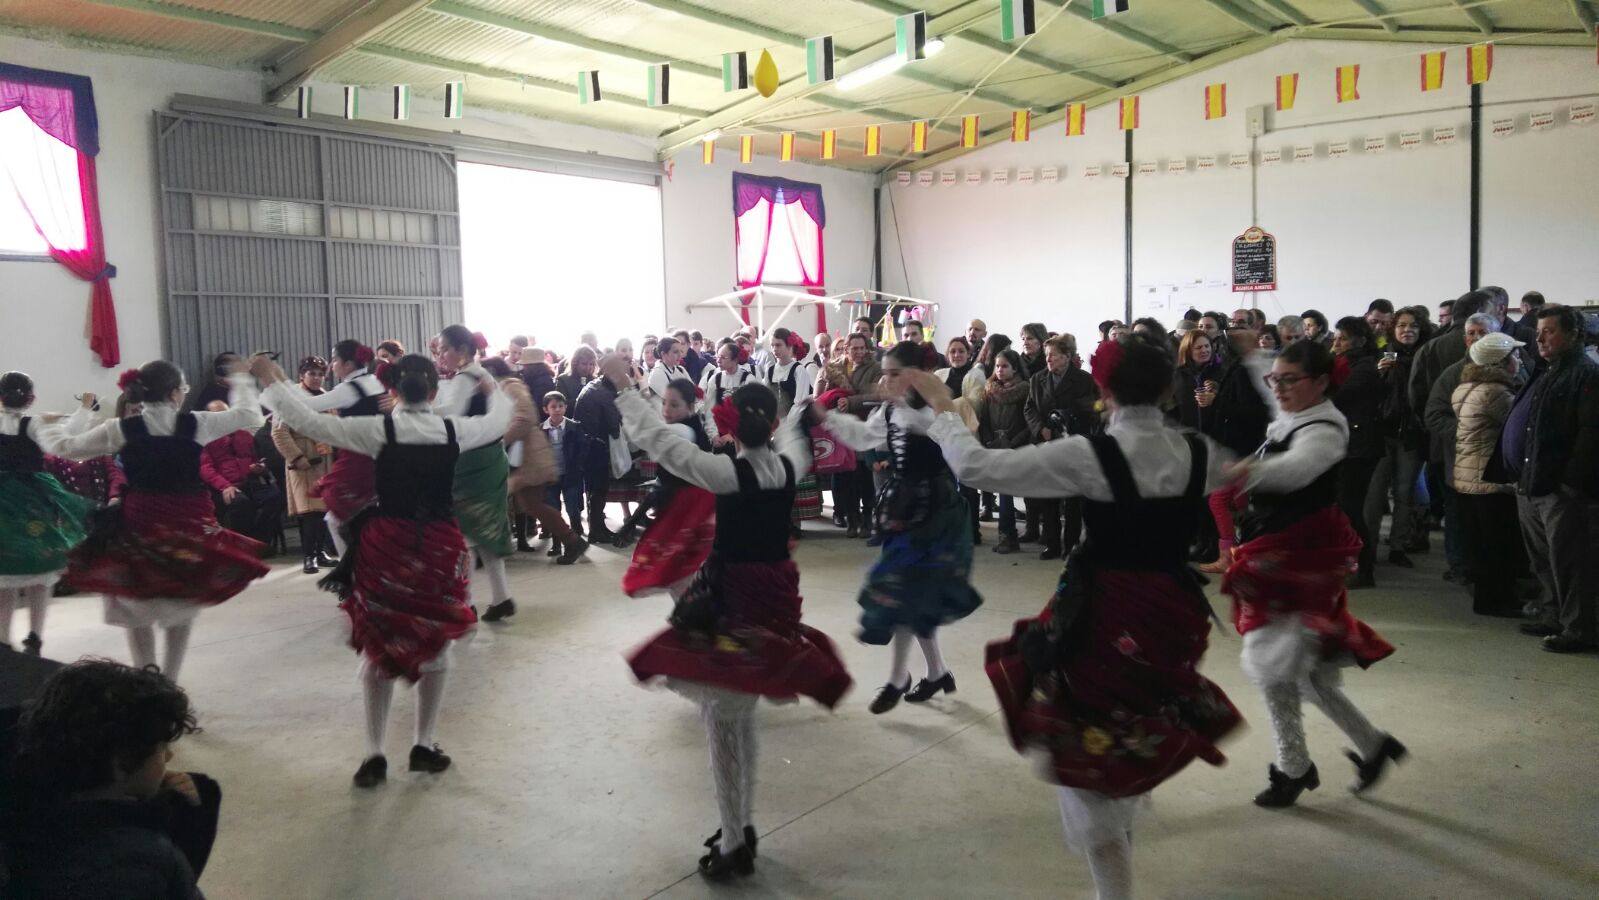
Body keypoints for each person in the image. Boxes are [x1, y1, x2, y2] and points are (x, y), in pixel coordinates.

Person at [900, 334, 1242, 900]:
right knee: (1128, 731)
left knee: (1091, 755)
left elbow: (977, 467)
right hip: (1172, 615)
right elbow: (1256, 471)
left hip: (1106, 617)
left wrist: (943, 410)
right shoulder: (1196, 450)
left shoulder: (1091, 454)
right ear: (1165, 389)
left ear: (1104, 389)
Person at [604, 359, 852, 880]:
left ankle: (735, 839)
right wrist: (803, 413)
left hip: (733, 598)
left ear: (731, 425)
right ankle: (739, 828)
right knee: (740, 712)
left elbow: (659, 442)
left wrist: (624, 387)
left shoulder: (725, 472)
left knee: (723, 718)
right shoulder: (789, 464)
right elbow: (793, 434)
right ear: (770, 422)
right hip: (776, 598)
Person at [260, 352, 510, 787]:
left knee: (378, 644)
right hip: (438, 546)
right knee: (436, 643)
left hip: (387, 545)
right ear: (434, 391)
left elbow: (307, 420)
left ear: (391, 390)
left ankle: (374, 752)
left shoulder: (377, 430)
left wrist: (271, 381)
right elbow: (499, 420)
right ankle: (422, 744)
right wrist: (492, 385)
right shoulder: (455, 429)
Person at [1223, 339, 1403, 809]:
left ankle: (1294, 768)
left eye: (1289, 380)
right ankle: (1373, 745)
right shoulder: (1297, 411)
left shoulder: (1325, 428)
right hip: (1284, 547)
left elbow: (1297, 469)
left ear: (1321, 382)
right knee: (1308, 674)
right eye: (1275, 379)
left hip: (1299, 557)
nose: (1278, 388)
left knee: (1271, 665)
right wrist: (1255, 357)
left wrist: (1244, 470)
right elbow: (1276, 400)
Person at [53, 359, 270, 682]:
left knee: (136, 601)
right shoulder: (196, 423)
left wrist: (71, 418)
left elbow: (66, 447)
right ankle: (169, 680)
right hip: (188, 525)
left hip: (140, 523)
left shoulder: (122, 428)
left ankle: (146, 675)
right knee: (180, 605)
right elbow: (250, 415)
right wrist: (240, 378)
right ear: (173, 394)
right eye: (183, 389)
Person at [821, 342, 983, 714]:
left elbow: (954, 445)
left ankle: (899, 678)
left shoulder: (933, 413)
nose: (886, 381)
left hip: (935, 511)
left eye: (895, 374)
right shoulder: (890, 411)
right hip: (903, 507)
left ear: (916, 375)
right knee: (913, 595)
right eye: (885, 373)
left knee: (903, 591)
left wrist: (920, 406)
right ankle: (936, 672)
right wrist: (827, 417)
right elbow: (864, 437)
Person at [6, 659, 221, 898]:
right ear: (122, 764)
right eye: (162, 749)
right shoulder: (138, 860)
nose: (169, 757)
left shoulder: (28, 818)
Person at [1506, 305, 1599, 653]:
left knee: (1570, 561)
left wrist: (1569, 483)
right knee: (1543, 558)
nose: (1541, 339)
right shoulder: (1548, 371)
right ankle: (1553, 615)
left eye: (1550, 331)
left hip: (1560, 489)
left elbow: (1590, 434)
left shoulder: (1586, 374)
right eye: (1539, 332)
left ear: (1573, 334)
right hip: (1533, 482)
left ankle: (1578, 628)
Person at [0, 373, 94, 654]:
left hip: (4, 499)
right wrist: (85, 408)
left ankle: (3, 640)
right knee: (43, 568)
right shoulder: (35, 424)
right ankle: (35, 636)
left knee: (4, 574)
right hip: (34, 497)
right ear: (31, 399)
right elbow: (65, 439)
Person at [431, 326, 518, 622]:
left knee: (464, 534)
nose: (441, 354)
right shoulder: (482, 373)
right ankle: (501, 597)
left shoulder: (464, 378)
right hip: (492, 458)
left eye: (445, 349)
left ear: (462, 350)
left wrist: (416, 408)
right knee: (485, 531)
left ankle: (464, 602)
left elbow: (450, 411)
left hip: (471, 462)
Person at [1451, 333, 1528, 617]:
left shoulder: (1467, 386)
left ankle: (1488, 598)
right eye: (1515, 356)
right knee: (1498, 544)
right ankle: (1497, 600)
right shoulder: (1495, 392)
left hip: (1469, 475)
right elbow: (1521, 427)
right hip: (1490, 478)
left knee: (1482, 543)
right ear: (1500, 362)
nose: (1520, 361)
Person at [620, 378, 716, 596]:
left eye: (674, 405)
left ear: (690, 407)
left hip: (691, 507)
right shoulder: (683, 426)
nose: (666, 409)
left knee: (681, 571)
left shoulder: (685, 430)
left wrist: (625, 391)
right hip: (680, 503)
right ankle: (691, 608)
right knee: (679, 572)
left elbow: (650, 434)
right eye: (664, 403)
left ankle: (694, 610)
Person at [1423, 312, 1498, 583]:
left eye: (1483, 333)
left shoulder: (1514, 366)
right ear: (1465, 339)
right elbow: (1433, 414)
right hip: (1461, 459)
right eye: (1471, 333)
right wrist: (1467, 431)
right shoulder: (1453, 374)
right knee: (1458, 515)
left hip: (1497, 463)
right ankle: (1460, 566)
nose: (1476, 338)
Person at [295, 340, 383, 558]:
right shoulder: (373, 381)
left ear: (348, 364)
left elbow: (307, 406)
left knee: (335, 518)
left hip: (359, 458)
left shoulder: (348, 389)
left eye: (335, 360)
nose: (332, 365)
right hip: (380, 456)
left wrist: (274, 383)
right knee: (363, 518)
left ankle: (353, 567)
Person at [501, 369, 589, 566]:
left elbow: (524, 420)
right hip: (527, 457)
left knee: (534, 504)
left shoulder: (511, 387)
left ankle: (572, 541)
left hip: (528, 458)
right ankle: (571, 541)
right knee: (532, 504)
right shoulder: (510, 387)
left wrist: (500, 440)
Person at [1023, 335, 1099, 561]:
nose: (1049, 359)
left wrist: (1067, 415)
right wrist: (1040, 428)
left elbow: (1093, 407)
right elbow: (1029, 408)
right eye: (1047, 355)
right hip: (1047, 442)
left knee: (1072, 499)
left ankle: (1071, 544)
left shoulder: (1084, 379)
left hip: (1073, 441)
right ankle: (1052, 543)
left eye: (1054, 355)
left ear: (1067, 357)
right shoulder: (1038, 379)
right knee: (1049, 496)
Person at [1367, 307, 1432, 568]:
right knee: (1375, 494)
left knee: (1405, 493)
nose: (1407, 330)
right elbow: (1368, 394)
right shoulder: (1382, 354)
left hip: (1412, 435)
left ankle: (1398, 546)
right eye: (1402, 325)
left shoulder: (1426, 356)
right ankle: (1369, 547)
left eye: (1413, 326)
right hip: (1382, 433)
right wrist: (1378, 373)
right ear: (1393, 329)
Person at [1330, 317, 1386, 588]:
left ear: (1360, 341)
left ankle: (1364, 568)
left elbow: (1340, 397)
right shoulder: (1344, 363)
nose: (1337, 343)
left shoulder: (1364, 367)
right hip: (1348, 442)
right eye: (1336, 337)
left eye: (1343, 338)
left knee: (1350, 507)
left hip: (1360, 445)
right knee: (1344, 506)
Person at [272, 356, 338, 575]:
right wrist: (297, 457)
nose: (317, 378)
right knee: (309, 512)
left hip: (325, 460)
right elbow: (279, 433)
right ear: (302, 375)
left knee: (323, 510)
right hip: (304, 463)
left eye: (320, 374)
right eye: (312, 374)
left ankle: (321, 552)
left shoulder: (327, 398)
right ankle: (309, 556)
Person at [818, 333, 882, 538]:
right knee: (845, 476)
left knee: (865, 475)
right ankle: (852, 518)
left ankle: (867, 518)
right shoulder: (835, 368)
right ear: (846, 349)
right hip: (842, 428)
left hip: (864, 426)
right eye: (854, 348)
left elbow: (877, 395)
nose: (859, 352)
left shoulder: (875, 368)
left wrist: (851, 401)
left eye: (862, 348)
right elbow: (824, 394)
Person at [199, 400, 283, 550]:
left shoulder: (244, 435)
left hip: (251, 481)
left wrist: (260, 467)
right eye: (217, 414)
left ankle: (259, 543)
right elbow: (206, 468)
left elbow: (258, 459)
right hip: (224, 486)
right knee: (240, 503)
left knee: (275, 497)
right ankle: (242, 545)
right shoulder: (204, 440)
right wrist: (225, 486)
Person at [978, 349, 1031, 554]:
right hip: (994, 445)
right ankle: (1006, 535)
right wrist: (988, 440)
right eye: (997, 366)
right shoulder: (989, 389)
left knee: (1007, 491)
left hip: (1015, 445)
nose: (1000, 370)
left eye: (1005, 366)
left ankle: (1009, 536)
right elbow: (984, 419)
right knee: (1001, 490)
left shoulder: (1024, 389)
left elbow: (1027, 421)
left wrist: (1012, 441)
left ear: (1015, 368)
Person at [701, 342, 757, 443]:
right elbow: (709, 411)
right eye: (718, 356)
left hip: (742, 435)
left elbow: (751, 413)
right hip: (719, 434)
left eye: (723, 357)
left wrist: (733, 436)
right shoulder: (715, 379)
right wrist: (713, 435)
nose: (718, 360)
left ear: (735, 360)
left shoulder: (748, 380)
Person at [645, 336, 691, 409]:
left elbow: (694, 392)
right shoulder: (656, 374)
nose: (680, 355)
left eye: (680, 351)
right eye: (675, 352)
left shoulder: (681, 370)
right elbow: (674, 400)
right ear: (663, 354)